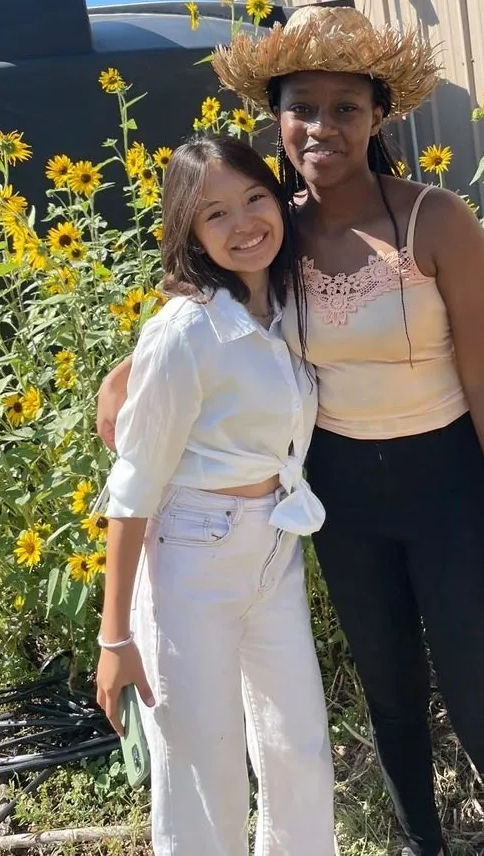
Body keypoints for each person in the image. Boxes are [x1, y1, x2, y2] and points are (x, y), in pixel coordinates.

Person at [98, 7, 484, 856]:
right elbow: (202, 309)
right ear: (275, 118)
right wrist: (129, 375)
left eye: (345, 107)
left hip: (449, 492)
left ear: (377, 116)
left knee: (481, 710)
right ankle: (420, 845)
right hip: (340, 498)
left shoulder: (436, 221)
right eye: (302, 107)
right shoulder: (271, 228)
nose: (322, 126)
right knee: (390, 697)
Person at [95, 134, 335, 856]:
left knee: (297, 745)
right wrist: (114, 639)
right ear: (190, 234)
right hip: (192, 558)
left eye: (254, 199)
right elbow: (132, 486)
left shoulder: (287, 306)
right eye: (215, 215)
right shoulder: (185, 330)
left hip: (274, 547)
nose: (243, 225)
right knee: (204, 768)